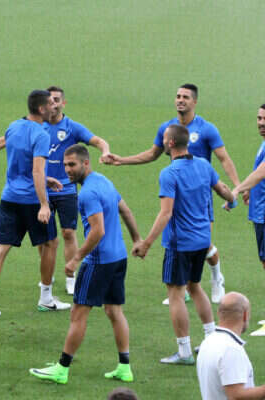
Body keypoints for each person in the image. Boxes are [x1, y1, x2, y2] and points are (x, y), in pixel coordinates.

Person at [105, 84, 240, 304]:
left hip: (200, 195)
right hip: (177, 192)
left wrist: (237, 187)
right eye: (178, 96)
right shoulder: (167, 129)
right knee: (182, 241)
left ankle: (217, 278)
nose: (180, 100)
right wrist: (121, 160)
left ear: (194, 101)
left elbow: (224, 158)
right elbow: (153, 154)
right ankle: (182, 288)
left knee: (203, 244)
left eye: (185, 97)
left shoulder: (207, 129)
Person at [29, 145, 141, 385]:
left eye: (72, 165)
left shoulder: (88, 193)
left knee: (78, 313)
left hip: (99, 261)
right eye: (65, 165)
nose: (67, 170)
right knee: (114, 311)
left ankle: (62, 369)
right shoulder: (104, 181)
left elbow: (98, 230)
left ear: (86, 163)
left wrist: (76, 258)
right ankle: (124, 367)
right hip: (118, 257)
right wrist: (137, 239)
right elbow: (125, 210)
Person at [132, 124, 235, 365]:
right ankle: (210, 338)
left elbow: (165, 213)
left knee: (176, 294)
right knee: (194, 286)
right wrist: (232, 200)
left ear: (170, 143)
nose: (162, 142)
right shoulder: (203, 164)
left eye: (164, 139)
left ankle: (184, 351)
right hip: (202, 240)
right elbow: (221, 189)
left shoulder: (169, 173)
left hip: (180, 244)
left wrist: (146, 243)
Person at [0, 89, 69, 317]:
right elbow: (36, 170)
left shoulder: (14, 126)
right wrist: (44, 204)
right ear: (41, 109)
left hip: (10, 197)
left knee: (2, 247)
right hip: (32, 200)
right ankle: (46, 298)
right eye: (51, 104)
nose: (54, 107)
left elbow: (8, 149)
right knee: (51, 243)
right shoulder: (42, 134)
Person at [41, 85, 112, 295]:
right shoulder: (38, 126)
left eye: (56, 100)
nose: (53, 104)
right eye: (49, 100)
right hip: (42, 190)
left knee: (68, 232)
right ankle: (47, 273)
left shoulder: (72, 127)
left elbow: (98, 141)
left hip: (66, 189)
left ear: (63, 103)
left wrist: (105, 151)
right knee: (45, 238)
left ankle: (71, 277)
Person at [197, 292, 265, 399]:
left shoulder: (208, 341)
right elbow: (236, 396)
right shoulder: (231, 349)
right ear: (245, 315)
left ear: (219, 313)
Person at [228, 104, 265, 271]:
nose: (261, 123)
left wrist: (238, 189)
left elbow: (261, 172)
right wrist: (250, 189)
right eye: (259, 118)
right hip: (260, 211)